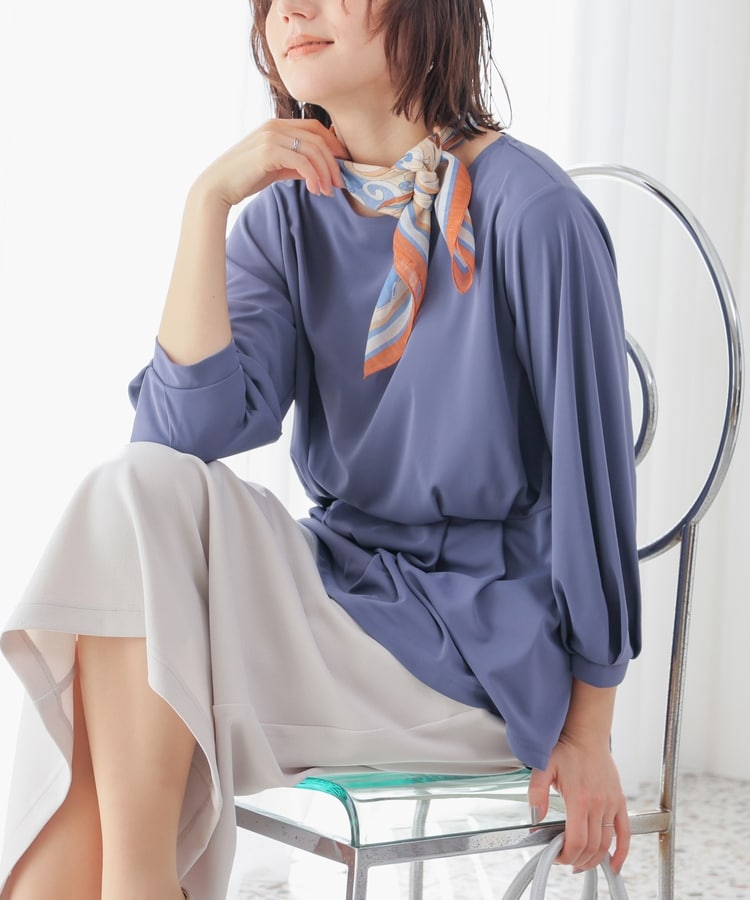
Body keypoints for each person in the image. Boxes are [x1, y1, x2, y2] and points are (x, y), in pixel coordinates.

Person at [0, 0, 641, 898]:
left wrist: (590, 732)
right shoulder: (288, 217)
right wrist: (206, 204)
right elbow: (176, 443)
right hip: (340, 599)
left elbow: (593, 485)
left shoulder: (532, 212)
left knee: (110, 700)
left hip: (475, 652)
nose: (291, 11)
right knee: (133, 498)